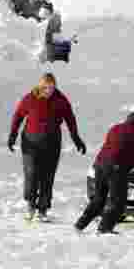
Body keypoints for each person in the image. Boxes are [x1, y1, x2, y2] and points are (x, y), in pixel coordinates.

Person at [8, 72, 87, 222]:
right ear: (40, 86)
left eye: (51, 88)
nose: (49, 91)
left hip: (52, 142)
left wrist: (76, 138)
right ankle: (31, 205)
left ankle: (42, 210)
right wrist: (12, 135)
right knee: (31, 174)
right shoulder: (30, 98)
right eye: (45, 87)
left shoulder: (60, 99)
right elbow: (18, 116)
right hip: (31, 142)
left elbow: (70, 118)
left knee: (47, 177)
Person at [74, 111, 134, 234]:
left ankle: (79, 225)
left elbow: (116, 146)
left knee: (98, 200)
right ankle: (105, 228)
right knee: (118, 201)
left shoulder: (115, 128)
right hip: (116, 168)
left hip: (99, 165)